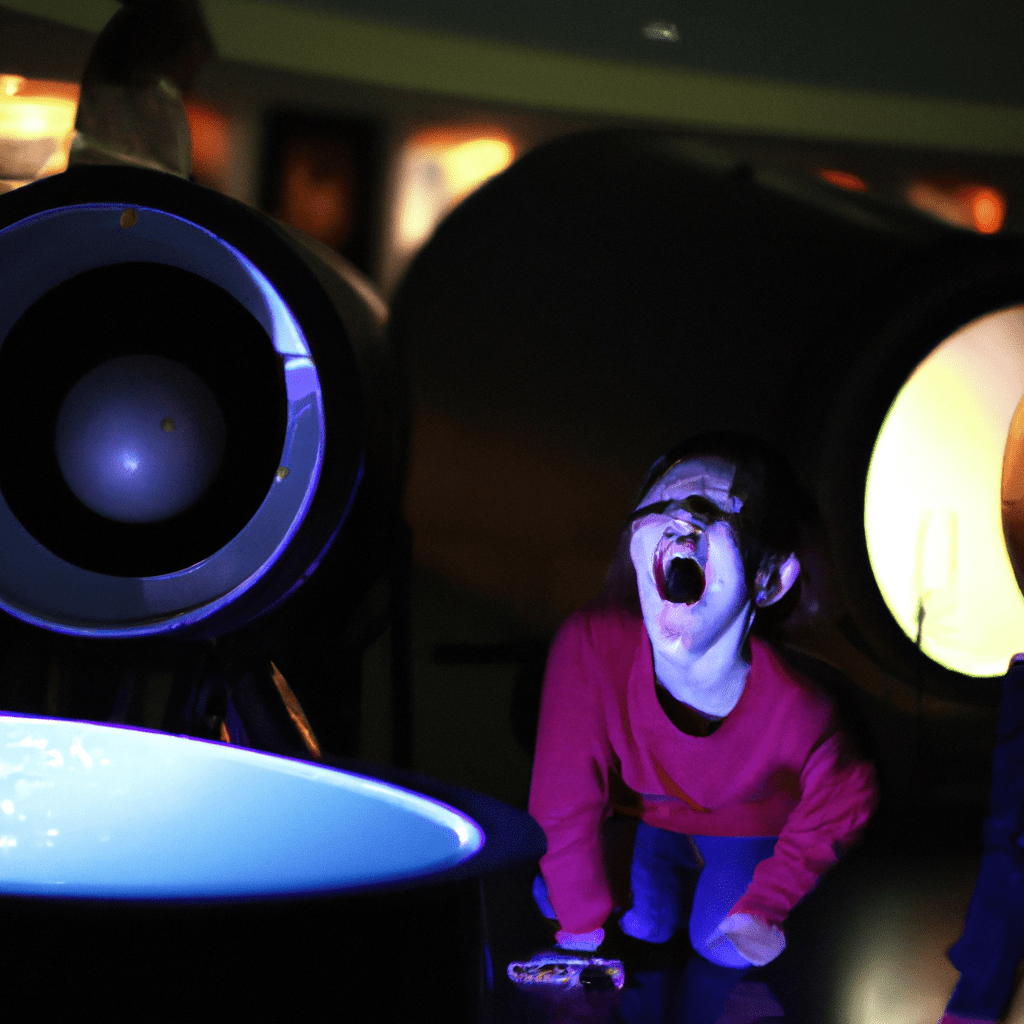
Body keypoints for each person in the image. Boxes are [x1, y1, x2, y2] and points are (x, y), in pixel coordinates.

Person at [528, 432, 877, 969]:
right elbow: (562, 795)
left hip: (747, 826)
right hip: (649, 820)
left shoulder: (800, 710)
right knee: (632, 917)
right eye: (663, 505)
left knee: (727, 949)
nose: (682, 522)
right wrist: (579, 929)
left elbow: (846, 794)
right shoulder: (591, 646)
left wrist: (767, 901)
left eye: (716, 509)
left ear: (770, 578)